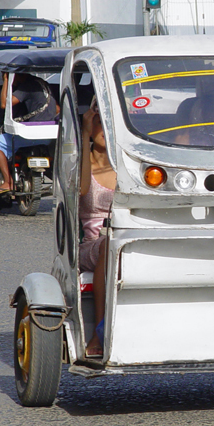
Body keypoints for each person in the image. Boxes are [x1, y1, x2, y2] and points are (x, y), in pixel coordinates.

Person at [0, 73, 56, 196]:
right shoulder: (43, 84)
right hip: (49, 133)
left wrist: (6, 80)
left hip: (33, 134)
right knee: (1, 141)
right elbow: (57, 109)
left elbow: (4, 104)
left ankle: (8, 181)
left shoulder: (26, 87)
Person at [79, 98, 116, 357]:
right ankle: (99, 332)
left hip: (124, 237)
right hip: (92, 245)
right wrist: (83, 133)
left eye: (109, 124)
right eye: (99, 123)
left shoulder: (126, 166)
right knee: (108, 244)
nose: (104, 129)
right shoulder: (83, 163)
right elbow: (79, 189)